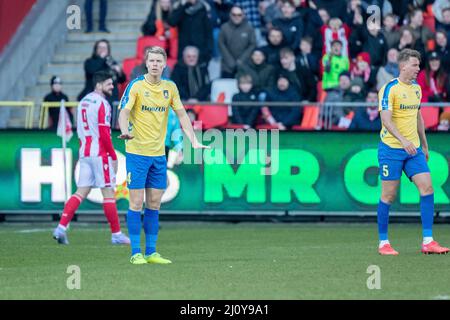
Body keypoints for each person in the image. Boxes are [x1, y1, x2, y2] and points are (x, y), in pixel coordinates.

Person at [117, 46, 209, 265]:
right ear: (146, 63)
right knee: (136, 202)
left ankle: (151, 252)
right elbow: (124, 111)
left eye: (159, 61)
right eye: (152, 61)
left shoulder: (170, 87)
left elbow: (182, 115)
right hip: (137, 153)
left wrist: (194, 140)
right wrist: (124, 129)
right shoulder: (137, 85)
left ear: (165, 64)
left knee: (155, 203)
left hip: (159, 154)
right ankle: (135, 253)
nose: (155, 64)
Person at [376, 48, 449, 255]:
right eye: (415, 65)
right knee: (388, 196)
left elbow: (418, 117)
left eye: (419, 65)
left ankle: (428, 241)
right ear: (403, 66)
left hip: (414, 149)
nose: (419, 69)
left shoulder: (416, 89)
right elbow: (386, 120)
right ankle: (383, 243)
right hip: (392, 149)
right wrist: (403, 140)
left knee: (427, 189)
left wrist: (424, 145)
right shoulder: (389, 89)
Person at [52, 71, 130, 245]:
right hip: (99, 154)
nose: (112, 87)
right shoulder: (103, 104)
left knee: (80, 192)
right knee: (109, 193)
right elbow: (104, 133)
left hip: (85, 153)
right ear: (99, 84)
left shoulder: (84, 101)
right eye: (109, 84)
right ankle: (116, 234)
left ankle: (61, 228)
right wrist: (112, 156)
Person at [78, 40, 126, 115]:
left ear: (108, 50)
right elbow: (91, 71)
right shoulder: (89, 61)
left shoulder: (111, 62)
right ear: (95, 49)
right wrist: (102, 59)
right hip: (95, 100)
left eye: (104, 48)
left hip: (111, 99)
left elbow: (122, 80)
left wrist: (119, 72)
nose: (102, 50)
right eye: (100, 47)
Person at [169, 0, 213, 64]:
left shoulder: (204, 8)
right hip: (184, 47)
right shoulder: (179, 6)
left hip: (200, 48)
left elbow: (209, 32)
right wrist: (183, 6)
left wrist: (208, 51)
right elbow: (172, 22)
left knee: (199, 72)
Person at [218, 5, 256, 78]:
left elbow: (252, 45)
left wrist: (241, 60)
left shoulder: (249, 28)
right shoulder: (224, 27)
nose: (236, 17)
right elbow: (221, 44)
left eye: (239, 15)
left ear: (243, 15)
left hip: (245, 66)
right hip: (227, 67)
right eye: (234, 14)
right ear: (230, 15)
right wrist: (230, 61)